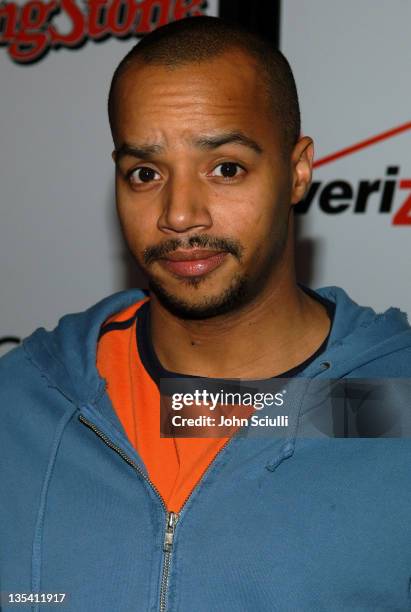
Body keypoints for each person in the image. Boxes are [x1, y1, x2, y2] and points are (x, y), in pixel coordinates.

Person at [1, 16, 411, 612]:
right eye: (145, 173)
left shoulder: (396, 401)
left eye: (225, 168)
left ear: (298, 172)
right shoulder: (22, 405)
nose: (181, 214)